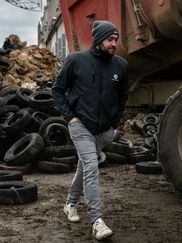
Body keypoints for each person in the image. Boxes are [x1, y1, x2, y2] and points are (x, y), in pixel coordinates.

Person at [52, 20, 129, 240]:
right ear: (98, 40)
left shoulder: (121, 65)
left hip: (105, 129)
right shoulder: (76, 60)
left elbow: (123, 96)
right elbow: (57, 90)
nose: (114, 44)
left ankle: (70, 204)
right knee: (92, 168)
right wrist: (71, 118)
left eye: (115, 40)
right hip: (81, 126)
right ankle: (96, 221)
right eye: (109, 40)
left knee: (84, 166)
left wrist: (114, 122)